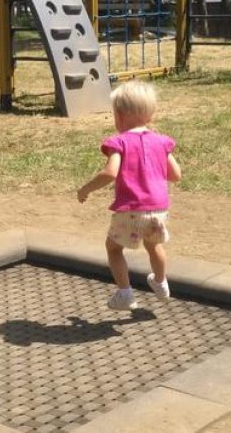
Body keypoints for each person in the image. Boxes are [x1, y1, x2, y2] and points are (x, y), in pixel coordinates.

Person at [77, 80, 182, 310]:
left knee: (114, 248)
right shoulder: (162, 142)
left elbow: (110, 173)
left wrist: (86, 189)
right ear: (151, 115)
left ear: (120, 116)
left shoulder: (120, 142)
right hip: (158, 209)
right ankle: (161, 281)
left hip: (131, 209)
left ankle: (125, 292)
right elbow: (175, 175)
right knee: (154, 246)